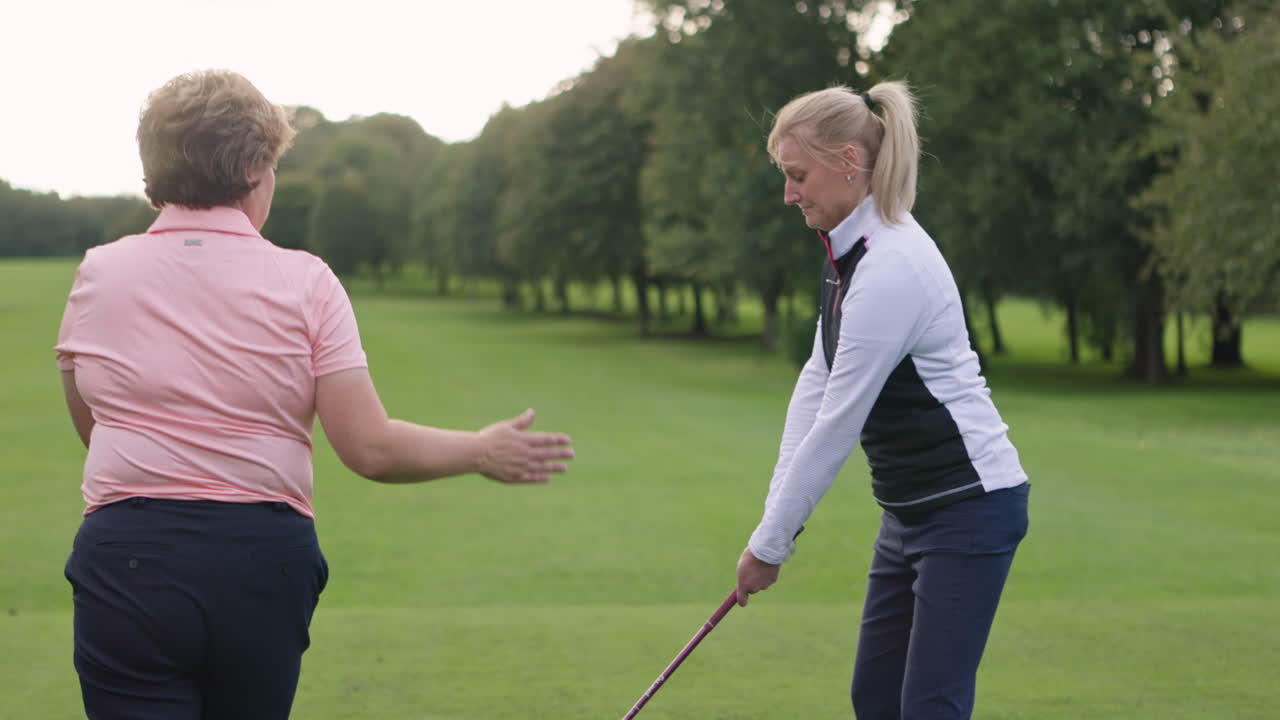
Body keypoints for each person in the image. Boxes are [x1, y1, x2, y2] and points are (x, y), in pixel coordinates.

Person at [55, 69, 575, 719]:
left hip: (127, 555)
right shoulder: (308, 282)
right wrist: (479, 450)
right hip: (259, 562)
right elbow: (368, 449)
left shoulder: (99, 272)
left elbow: (93, 420)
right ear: (252, 169)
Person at [732, 81, 1030, 719]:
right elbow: (816, 381)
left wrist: (771, 546)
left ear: (846, 162)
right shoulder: (848, 251)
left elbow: (838, 423)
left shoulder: (892, 266)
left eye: (797, 174)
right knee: (876, 699)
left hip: (970, 509)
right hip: (908, 514)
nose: (789, 193)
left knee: (928, 706)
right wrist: (770, 524)